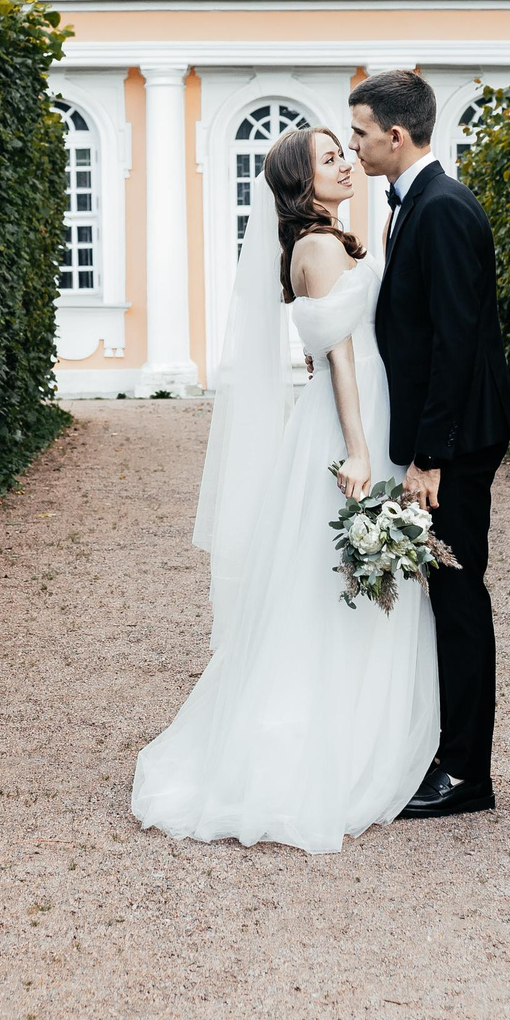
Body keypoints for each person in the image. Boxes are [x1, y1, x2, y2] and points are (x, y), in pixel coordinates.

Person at [130, 126, 440, 853]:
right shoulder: (322, 246)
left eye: (343, 151)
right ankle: (331, 741)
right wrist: (360, 451)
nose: (345, 163)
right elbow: (337, 358)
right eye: (330, 159)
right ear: (304, 182)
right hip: (348, 416)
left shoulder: (318, 241)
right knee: (334, 580)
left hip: (348, 409)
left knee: (318, 577)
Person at [345, 69, 510, 819]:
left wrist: (429, 455)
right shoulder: (416, 203)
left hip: (457, 443)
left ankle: (466, 775)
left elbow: (457, 340)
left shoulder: (443, 208)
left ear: (395, 133)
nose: (351, 147)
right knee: (445, 593)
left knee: (457, 596)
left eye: (358, 133)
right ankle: (447, 755)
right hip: (444, 437)